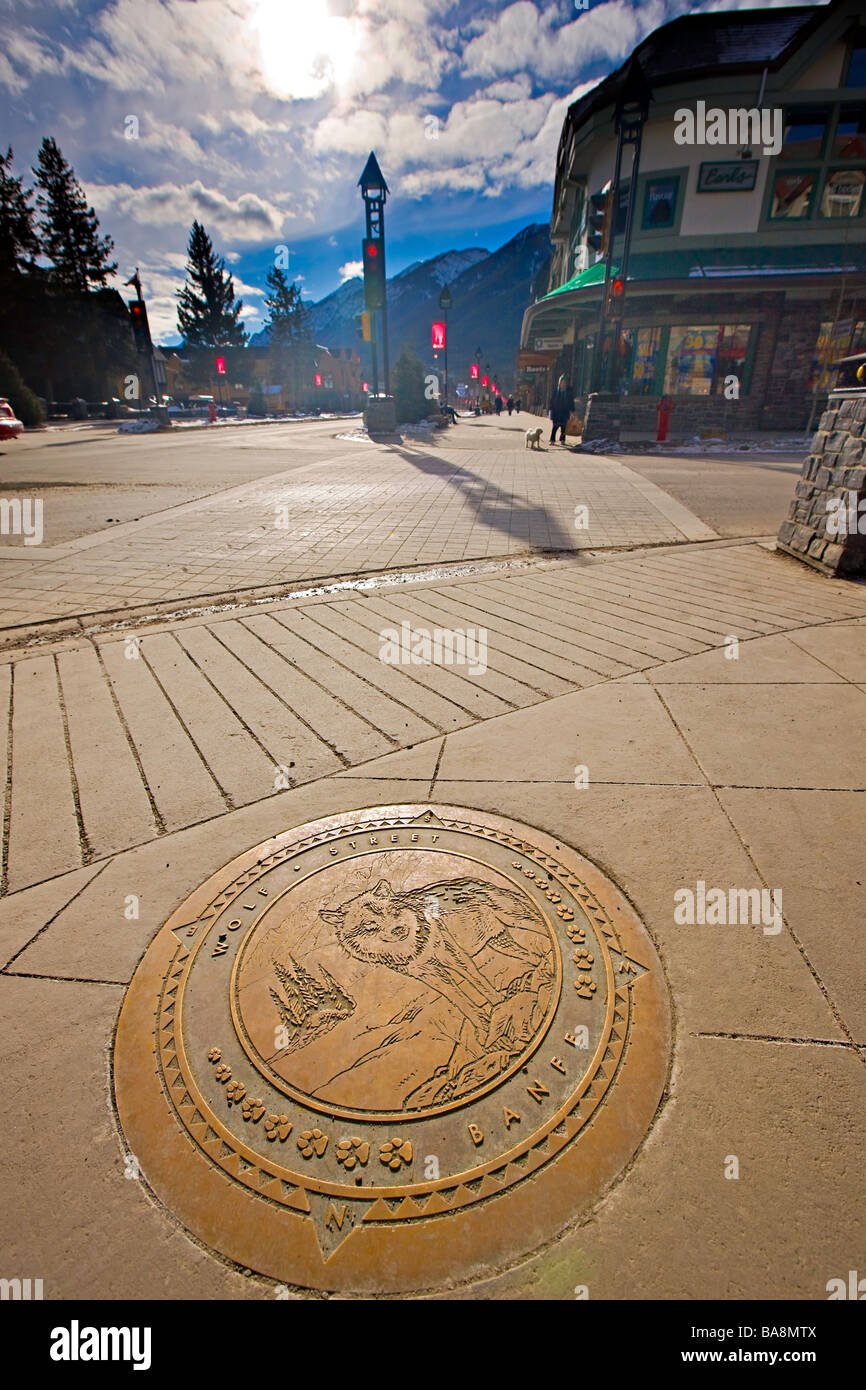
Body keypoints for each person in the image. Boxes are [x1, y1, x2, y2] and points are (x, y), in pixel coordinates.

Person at [549, 375, 573, 444]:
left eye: (564, 382)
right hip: (556, 412)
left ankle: (562, 439)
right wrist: (551, 410)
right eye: (562, 382)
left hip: (564, 412)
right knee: (555, 426)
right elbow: (552, 401)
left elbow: (571, 401)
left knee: (564, 427)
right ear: (559, 383)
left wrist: (572, 410)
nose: (563, 384)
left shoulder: (568, 391)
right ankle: (552, 440)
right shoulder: (556, 391)